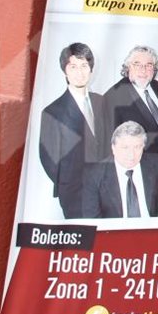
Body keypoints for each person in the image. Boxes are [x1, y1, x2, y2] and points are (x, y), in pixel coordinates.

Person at [39, 42, 107, 218]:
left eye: (84, 66)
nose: (80, 72)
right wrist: (70, 185)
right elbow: (49, 159)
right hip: (76, 196)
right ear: (65, 70)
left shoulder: (102, 102)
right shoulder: (52, 112)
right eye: (73, 66)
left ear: (91, 69)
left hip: (109, 193)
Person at [82, 121, 158, 218]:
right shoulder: (94, 174)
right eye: (125, 147)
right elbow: (92, 218)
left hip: (151, 229)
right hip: (116, 231)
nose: (131, 154)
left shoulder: (157, 164)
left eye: (137, 147)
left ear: (143, 147)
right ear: (113, 148)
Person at [104, 46, 158, 158]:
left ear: (154, 69)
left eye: (148, 65)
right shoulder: (113, 98)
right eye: (137, 64)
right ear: (128, 67)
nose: (143, 70)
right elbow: (111, 145)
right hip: (141, 166)